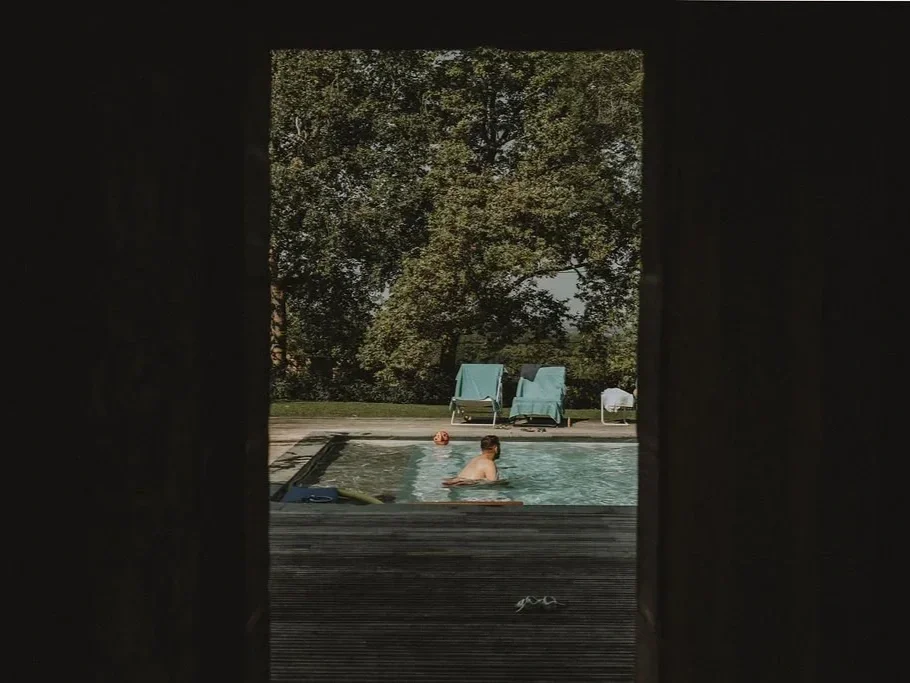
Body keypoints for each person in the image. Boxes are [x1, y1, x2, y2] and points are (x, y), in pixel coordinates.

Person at [442, 435, 507, 487]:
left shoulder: (475, 459)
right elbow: (494, 485)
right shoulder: (489, 463)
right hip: (465, 489)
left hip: (456, 485)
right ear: (496, 448)